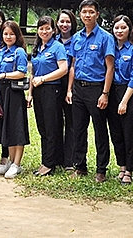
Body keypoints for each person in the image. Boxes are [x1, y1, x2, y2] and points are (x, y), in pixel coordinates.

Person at [66, 0, 115, 183]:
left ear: (97, 14)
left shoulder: (105, 37)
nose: (87, 15)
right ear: (80, 14)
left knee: (100, 130)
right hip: (78, 88)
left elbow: (110, 67)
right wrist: (70, 89)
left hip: (97, 89)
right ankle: (80, 166)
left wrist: (105, 93)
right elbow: (73, 64)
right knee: (78, 129)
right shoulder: (76, 38)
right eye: (84, 12)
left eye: (91, 12)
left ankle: (101, 169)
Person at [29, 16, 69, 176]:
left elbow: (63, 69)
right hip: (38, 90)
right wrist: (30, 93)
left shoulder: (57, 47)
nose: (44, 31)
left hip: (52, 90)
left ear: (54, 30)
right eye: (41, 28)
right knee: (42, 127)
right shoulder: (38, 47)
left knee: (52, 127)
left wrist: (44, 79)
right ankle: (46, 160)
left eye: (47, 28)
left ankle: (49, 163)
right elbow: (33, 72)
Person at [106, 15, 133, 185]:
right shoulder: (111, 48)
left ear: (130, 30)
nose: (119, 31)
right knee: (115, 132)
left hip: (129, 92)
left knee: (129, 132)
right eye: (116, 28)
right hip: (111, 91)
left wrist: (124, 101)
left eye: (123, 28)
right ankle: (121, 166)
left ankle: (129, 169)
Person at [0, 20, 30, 179]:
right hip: (1, 91)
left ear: (17, 35)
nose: (8, 36)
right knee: (6, 126)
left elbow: (22, 73)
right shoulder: (1, 51)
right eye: (5, 34)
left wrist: (3, 75)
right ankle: (9, 161)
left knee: (16, 127)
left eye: (11, 34)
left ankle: (17, 164)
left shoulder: (18, 52)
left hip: (14, 92)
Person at [56, 9, 78, 170]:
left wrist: (69, 89)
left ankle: (70, 160)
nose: (64, 25)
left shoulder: (77, 40)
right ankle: (56, 158)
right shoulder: (53, 40)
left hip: (72, 84)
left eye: (68, 21)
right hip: (54, 85)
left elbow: (74, 66)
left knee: (71, 122)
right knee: (55, 122)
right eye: (62, 21)